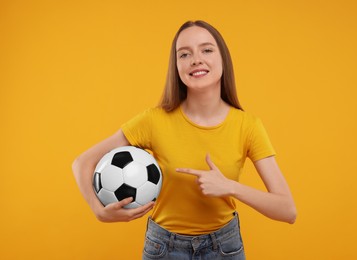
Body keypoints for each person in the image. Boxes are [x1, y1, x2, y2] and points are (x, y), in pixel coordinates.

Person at [72, 20, 296, 259]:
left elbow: (287, 210)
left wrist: (230, 187)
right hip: (164, 247)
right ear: (176, 66)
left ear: (223, 59)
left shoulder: (248, 126)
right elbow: (82, 163)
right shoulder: (153, 120)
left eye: (207, 50)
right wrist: (99, 212)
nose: (196, 59)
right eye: (184, 54)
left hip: (224, 247)